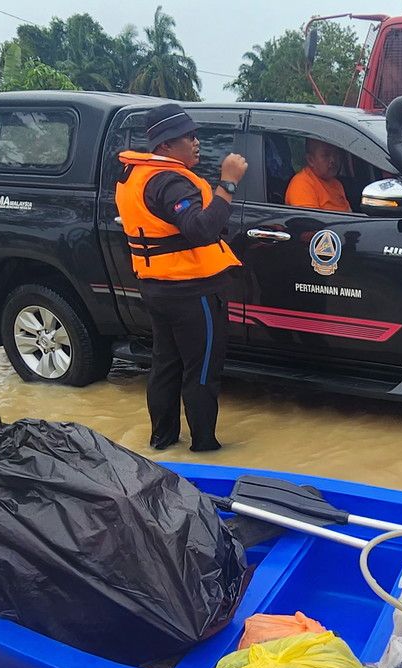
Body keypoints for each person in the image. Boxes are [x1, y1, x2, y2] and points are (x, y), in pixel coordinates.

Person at [115, 103, 247, 451]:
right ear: (164, 146)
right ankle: (205, 448)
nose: (196, 142)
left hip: (157, 288)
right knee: (201, 370)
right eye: (188, 137)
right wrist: (228, 184)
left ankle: (161, 442)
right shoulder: (170, 182)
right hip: (194, 292)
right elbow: (200, 229)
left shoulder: (137, 175)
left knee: (165, 365)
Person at [285, 138, 351, 212]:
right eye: (326, 155)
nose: (333, 160)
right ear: (310, 160)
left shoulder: (337, 184)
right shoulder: (302, 184)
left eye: (336, 154)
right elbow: (310, 221)